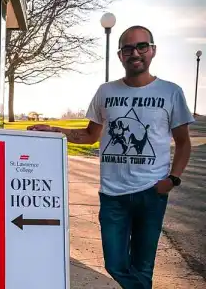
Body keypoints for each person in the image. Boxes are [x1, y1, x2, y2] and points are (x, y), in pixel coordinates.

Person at [28, 25, 194, 289]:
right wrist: (54, 130)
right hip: (113, 195)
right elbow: (90, 135)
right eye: (128, 48)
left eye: (141, 46)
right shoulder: (106, 92)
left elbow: (184, 143)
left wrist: (172, 180)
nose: (135, 53)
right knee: (114, 264)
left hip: (152, 192)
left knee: (142, 266)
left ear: (152, 51)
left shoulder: (170, 92)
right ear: (120, 55)